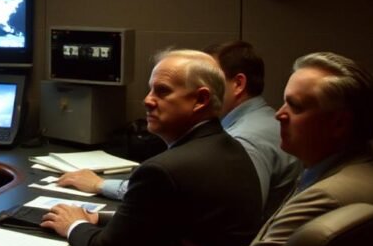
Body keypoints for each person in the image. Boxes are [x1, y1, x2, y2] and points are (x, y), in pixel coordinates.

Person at [160, 52, 373, 246]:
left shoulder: (325, 198)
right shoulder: (371, 174)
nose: (279, 114)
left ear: (339, 124)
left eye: (295, 107)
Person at [41, 49, 261, 246]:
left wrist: (74, 224)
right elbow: (171, 224)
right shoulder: (230, 149)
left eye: (162, 91)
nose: (147, 100)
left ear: (200, 100)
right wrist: (99, 219)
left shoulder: (162, 171)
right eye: (150, 89)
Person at [55, 42, 301, 223]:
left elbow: (233, 217)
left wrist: (99, 185)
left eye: (211, 76)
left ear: (237, 84)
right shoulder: (256, 121)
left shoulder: (244, 140)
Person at [203, 41, 301, 221]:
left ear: (238, 83)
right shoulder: (268, 119)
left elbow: (237, 221)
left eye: (209, 80)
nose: (199, 89)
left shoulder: (242, 140)